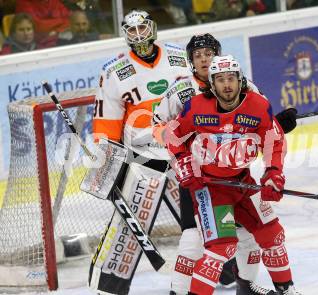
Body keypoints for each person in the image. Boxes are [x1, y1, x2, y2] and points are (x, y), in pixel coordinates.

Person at [154, 34, 298, 295]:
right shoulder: (189, 100)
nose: (227, 84)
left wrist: (273, 172)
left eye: (231, 78)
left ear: (239, 79)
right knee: (210, 244)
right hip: (204, 183)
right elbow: (167, 133)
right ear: (211, 82)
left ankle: (270, 289)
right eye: (220, 80)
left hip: (241, 180)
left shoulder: (255, 98)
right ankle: (181, 290)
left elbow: (270, 136)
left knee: (270, 235)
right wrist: (183, 162)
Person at [89, 9, 191, 295]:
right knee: (130, 226)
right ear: (125, 34)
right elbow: (106, 122)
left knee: (199, 212)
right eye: (131, 31)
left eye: (142, 28)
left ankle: (224, 270)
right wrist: (107, 168)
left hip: (182, 151)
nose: (138, 35)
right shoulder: (113, 71)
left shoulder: (178, 56)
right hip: (143, 157)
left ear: (153, 27)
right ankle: (109, 286)